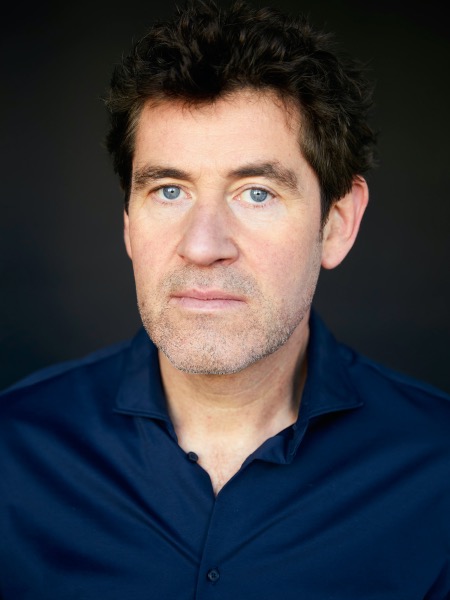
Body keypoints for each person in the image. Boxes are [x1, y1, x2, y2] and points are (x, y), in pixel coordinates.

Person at [1, 0, 449, 597]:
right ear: (128, 222)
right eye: (169, 190)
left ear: (338, 223)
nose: (203, 246)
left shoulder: (437, 471)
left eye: (256, 192)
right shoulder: (13, 452)